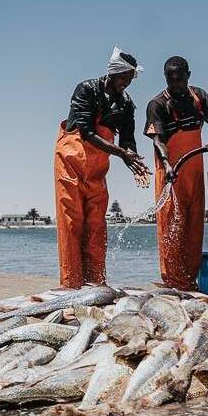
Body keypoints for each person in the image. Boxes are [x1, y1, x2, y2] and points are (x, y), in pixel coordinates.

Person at [54, 47, 149, 289]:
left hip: (97, 171)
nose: (126, 84)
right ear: (112, 74)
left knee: (96, 225)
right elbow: (85, 132)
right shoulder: (86, 89)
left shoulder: (126, 104)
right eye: (123, 79)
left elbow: (128, 139)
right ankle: (71, 285)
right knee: (71, 221)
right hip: (71, 163)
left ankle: (95, 284)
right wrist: (121, 154)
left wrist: (134, 160)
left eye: (129, 80)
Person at [144, 56, 208, 290]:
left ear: (188, 75)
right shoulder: (158, 104)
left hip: (195, 173)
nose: (175, 83)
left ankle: (189, 281)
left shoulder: (199, 96)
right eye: (170, 80)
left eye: (179, 79)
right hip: (171, 173)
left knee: (193, 227)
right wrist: (167, 163)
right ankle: (172, 282)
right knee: (171, 227)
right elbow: (158, 140)